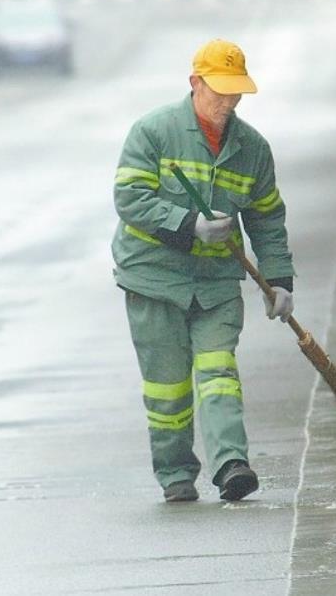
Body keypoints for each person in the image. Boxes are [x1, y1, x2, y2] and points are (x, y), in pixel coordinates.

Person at [111, 39, 295, 502]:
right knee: (168, 390)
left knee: (219, 373)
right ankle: (175, 474)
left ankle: (231, 463)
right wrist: (187, 224)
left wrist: (279, 279)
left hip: (214, 286)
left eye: (236, 94)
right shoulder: (153, 133)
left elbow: (267, 217)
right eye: (219, 92)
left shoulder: (252, 149)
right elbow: (130, 199)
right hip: (153, 280)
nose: (227, 103)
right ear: (195, 83)